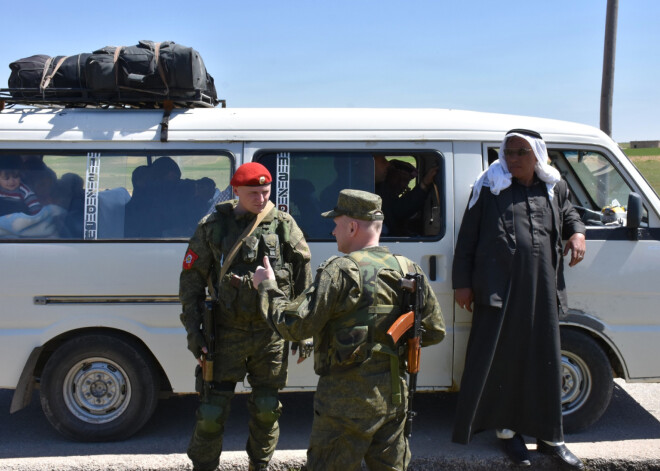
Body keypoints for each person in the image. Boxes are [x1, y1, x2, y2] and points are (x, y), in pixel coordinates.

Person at [252, 189, 446, 470]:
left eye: (337, 223)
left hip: (344, 404)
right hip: (393, 398)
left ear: (353, 226)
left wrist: (267, 287)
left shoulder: (340, 270)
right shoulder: (407, 268)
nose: (333, 231)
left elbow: (295, 325)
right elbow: (435, 330)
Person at [451, 129, 587, 469]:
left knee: (545, 363)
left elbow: (571, 213)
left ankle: (550, 439)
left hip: (542, 290)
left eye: (520, 153)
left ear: (537, 156)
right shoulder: (489, 187)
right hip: (500, 291)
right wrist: (462, 283)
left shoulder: (554, 186)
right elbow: (467, 237)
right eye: (508, 152)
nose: (511, 159)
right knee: (505, 363)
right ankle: (509, 436)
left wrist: (578, 233)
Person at [179, 162, 312, 471]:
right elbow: (191, 284)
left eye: (266, 192)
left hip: (270, 334)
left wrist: (304, 330)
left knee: (267, 409)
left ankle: (260, 464)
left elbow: (304, 279)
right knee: (212, 411)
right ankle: (204, 465)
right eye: (254, 193)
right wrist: (194, 333)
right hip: (226, 334)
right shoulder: (212, 226)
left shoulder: (283, 225)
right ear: (235, 190)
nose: (261, 199)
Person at [375, 157, 438, 236]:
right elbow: (399, 210)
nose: (405, 186)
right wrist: (424, 184)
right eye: (383, 161)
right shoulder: (378, 192)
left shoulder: (382, 190)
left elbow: (399, 209)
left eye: (407, 182)